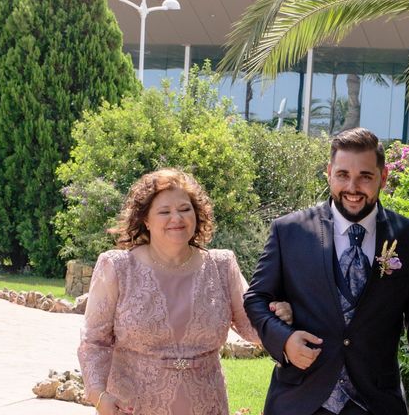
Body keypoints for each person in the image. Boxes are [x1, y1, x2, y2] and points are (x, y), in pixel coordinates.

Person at [244, 128, 409, 415]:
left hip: (375, 404)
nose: (352, 187)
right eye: (342, 175)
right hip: (300, 400)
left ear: (383, 177)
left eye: (365, 176)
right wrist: (285, 341)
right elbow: (256, 299)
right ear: (329, 173)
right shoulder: (289, 231)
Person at [78, 168, 291, 415]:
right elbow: (94, 340)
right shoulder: (116, 267)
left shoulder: (222, 266)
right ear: (146, 219)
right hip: (132, 407)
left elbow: (252, 326)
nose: (176, 218)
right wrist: (98, 394)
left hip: (206, 406)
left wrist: (277, 316)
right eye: (164, 211)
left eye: (184, 209)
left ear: (197, 214)